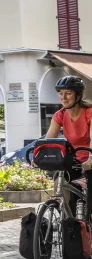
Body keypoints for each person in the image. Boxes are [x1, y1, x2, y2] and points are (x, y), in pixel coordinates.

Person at [45, 75, 92, 211]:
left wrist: (91, 158)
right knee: (59, 180)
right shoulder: (59, 115)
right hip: (73, 160)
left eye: (68, 93)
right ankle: (64, 220)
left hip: (89, 160)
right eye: (61, 93)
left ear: (78, 96)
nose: (63, 97)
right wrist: (39, 155)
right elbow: (48, 141)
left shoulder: (89, 113)